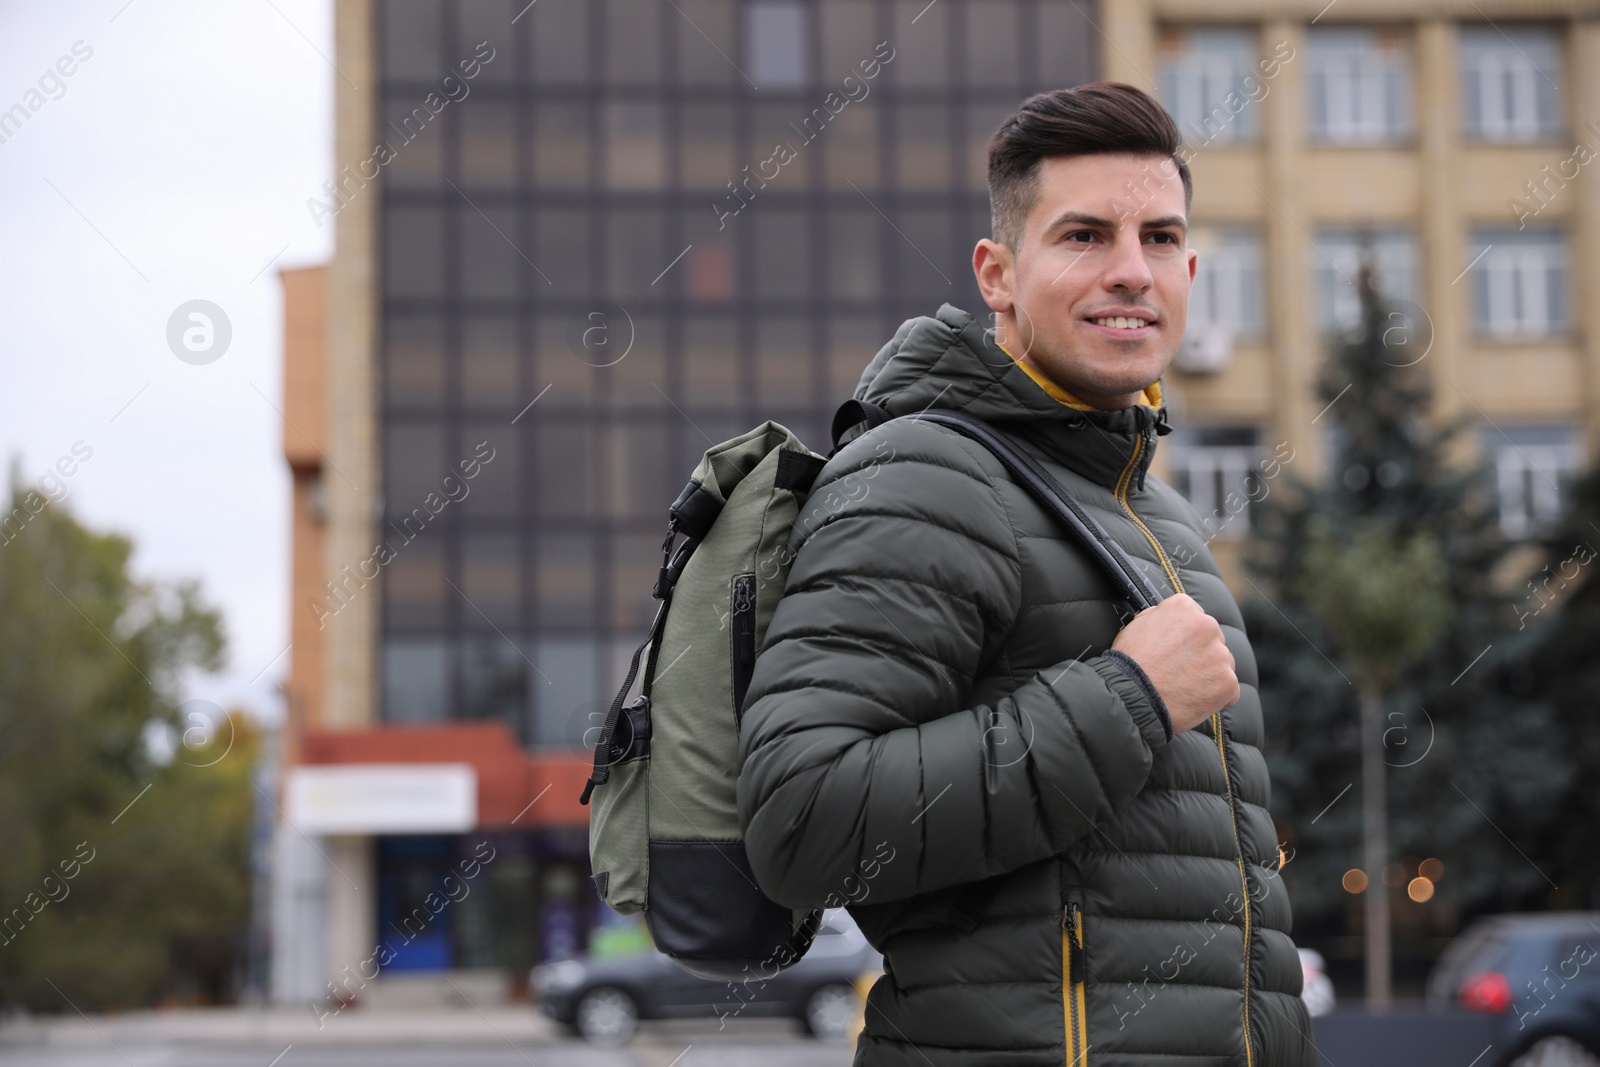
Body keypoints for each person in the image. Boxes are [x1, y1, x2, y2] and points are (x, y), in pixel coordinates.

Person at [736, 83, 1317, 1066]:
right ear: (997, 274)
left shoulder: (1159, 517)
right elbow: (803, 821)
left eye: (1160, 237)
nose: (1132, 271)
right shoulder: (920, 473)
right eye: (1085, 236)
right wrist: (1128, 696)